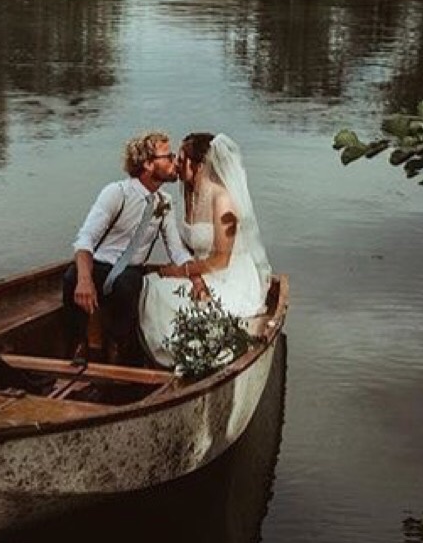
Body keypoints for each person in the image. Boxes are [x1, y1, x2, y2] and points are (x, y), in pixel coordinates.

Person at [139, 132, 272, 368]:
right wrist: (193, 275)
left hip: (230, 276)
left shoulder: (223, 200)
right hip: (202, 272)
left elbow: (222, 259)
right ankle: (175, 357)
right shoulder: (189, 194)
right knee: (152, 285)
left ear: (199, 165)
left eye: (181, 159)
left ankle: (189, 358)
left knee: (164, 293)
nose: (176, 165)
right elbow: (188, 247)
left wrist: (183, 272)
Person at [64, 131, 195, 366]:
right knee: (71, 277)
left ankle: (119, 351)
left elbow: (176, 250)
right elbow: (84, 240)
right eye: (168, 156)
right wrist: (85, 279)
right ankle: (82, 344)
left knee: (128, 286)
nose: (174, 161)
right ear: (147, 163)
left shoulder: (164, 202)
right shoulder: (117, 193)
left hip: (130, 272)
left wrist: (193, 272)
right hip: (101, 264)